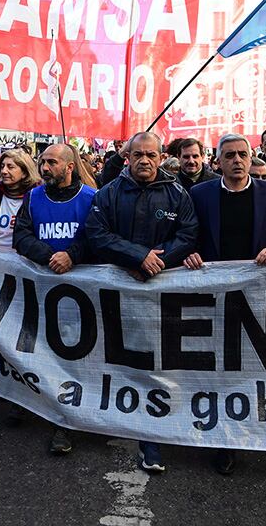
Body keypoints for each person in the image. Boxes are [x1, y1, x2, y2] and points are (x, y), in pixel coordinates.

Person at [85, 131, 198, 473]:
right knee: (114, 357)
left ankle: (152, 439)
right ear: (126, 157)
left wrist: (156, 261)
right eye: (138, 155)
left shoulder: (178, 193)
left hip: (160, 293)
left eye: (151, 155)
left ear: (162, 158)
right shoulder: (108, 194)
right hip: (118, 291)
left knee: (157, 365)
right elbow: (96, 233)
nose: (144, 161)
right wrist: (137, 257)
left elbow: (189, 234)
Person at [184, 133, 266, 474]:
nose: (236, 160)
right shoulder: (199, 194)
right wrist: (189, 252)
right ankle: (222, 438)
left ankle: (249, 425)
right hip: (211, 294)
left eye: (242, 154)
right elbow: (188, 234)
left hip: (257, 293)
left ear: (250, 157)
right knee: (218, 363)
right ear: (217, 161)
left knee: (252, 362)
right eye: (229, 155)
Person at [12, 143, 97, 454]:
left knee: (72, 357)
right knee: (35, 348)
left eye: (51, 162)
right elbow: (21, 236)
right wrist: (51, 257)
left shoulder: (91, 198)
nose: (44, 168)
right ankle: (28, 401)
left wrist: (72, 256)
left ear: (69, 166)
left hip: (80, 294)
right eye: (42, 162)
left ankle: (66, 420)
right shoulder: (33, 197)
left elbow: (98, 236)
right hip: (40, 287)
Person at [0, 148, 40, 247]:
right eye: (2, 166)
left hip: (24, 258)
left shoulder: (36, 196)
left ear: (24, 173)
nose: (4, 171)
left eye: (10, 167)